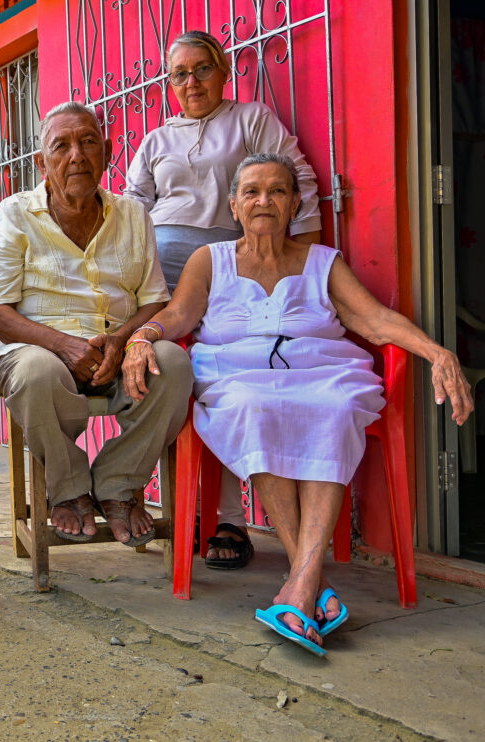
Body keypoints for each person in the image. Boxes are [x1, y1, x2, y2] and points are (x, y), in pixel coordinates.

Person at [121, 152, 474, 655]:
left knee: (334, 409)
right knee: (253, 407)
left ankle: (300, 588)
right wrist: (142, 338)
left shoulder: (322, 262)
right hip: (238, 378)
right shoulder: (211, 261)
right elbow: (179, 314)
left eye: (277, 191)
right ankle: (309, 581)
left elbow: (374, 320)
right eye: (252, 191)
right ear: (234, 206)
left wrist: (438, 353)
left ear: (294, 205)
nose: (264, 200)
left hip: (323, 373)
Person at [125, 29, 323, 569]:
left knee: (227, 376)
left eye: (202, 69)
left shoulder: (250, 118)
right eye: (179, 74)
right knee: (158, 372)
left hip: (231, 263)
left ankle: (229, 517)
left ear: (223, 71)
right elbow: (131, 206)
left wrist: (296, 260)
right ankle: (168, 503)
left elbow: (295, 176)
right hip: (160, 271)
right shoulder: (157, 138)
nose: (191, 82)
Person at [0, 101, 192, 546]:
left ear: (107, 152)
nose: (77, 155)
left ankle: (118, 482)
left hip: (118, 350)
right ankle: (68, 489)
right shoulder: (13, 215)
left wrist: (122, 340)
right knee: (37, 372)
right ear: (42, 162)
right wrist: (64, 346)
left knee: (173, 364)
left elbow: (153, 302)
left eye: (88, 142)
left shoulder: (132, 216)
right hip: (36, 353)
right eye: (62, 145)